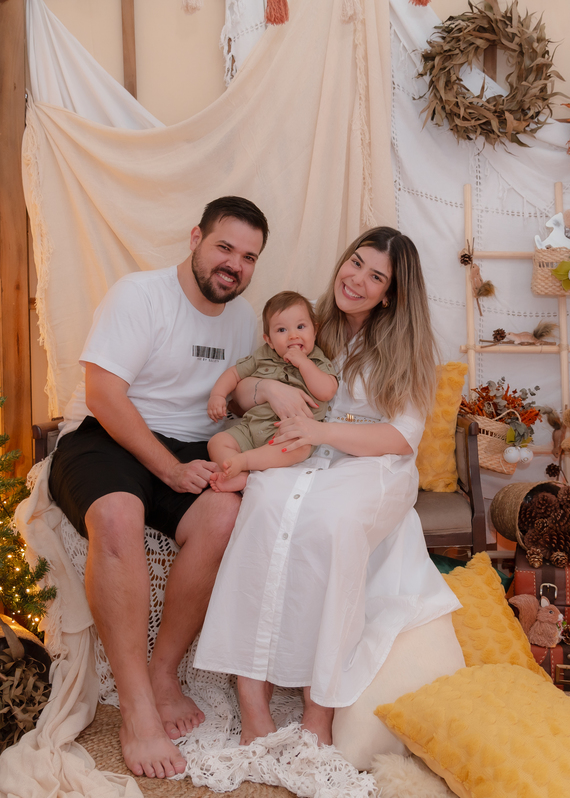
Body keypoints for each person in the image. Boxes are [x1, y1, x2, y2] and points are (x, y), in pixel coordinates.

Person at [193, 227, 462, 746]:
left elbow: (400, 438)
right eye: (355, 262)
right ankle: (252, 699)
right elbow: (245, 391)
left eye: (375, 276)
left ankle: (319, 704)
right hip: (304, 451)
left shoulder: (406, 349)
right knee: (263, 505)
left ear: (391, 294)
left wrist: (321, 432)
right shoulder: (307, 323)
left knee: (331, 525)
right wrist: (268, 388)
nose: (356, 279)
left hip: (372, 462)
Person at [47, 197, 268, 779]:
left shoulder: (244, 318)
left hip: (193, 445)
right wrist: (169, 470)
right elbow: (104, 395)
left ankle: (163, 672)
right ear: (195, 238)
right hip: (106, 435)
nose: (234, 265)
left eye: (248, 257)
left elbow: (236, 396)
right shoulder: (139, 295)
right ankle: (137, 708)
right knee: (117, 517)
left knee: (224, 515)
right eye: (224, 247)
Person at [206, 291, 339, 493]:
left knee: (300, 447)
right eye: (282, 330)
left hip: (289, 433)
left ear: (315, 330)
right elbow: (234, 373)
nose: (293, 335)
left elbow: (327, 391)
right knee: (217, 442)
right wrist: (217, 395)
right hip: (252, 428)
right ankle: (238, 473)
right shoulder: (263, 356)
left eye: (301, 327)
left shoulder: (317, 361)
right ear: (268, 340)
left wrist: (303, 363)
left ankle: (244, 462)